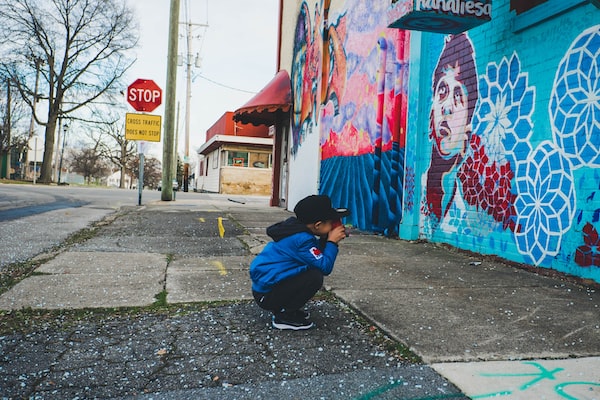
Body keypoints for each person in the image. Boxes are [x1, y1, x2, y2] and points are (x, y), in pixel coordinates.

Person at [250, 194, 350, 330]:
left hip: (266, 290)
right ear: (318, 225)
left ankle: (287, 309)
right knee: (314, 277)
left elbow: (315, 256)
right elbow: (324, 266)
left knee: (311, 271)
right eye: (331, 222)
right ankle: (284, 315)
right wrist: (332, 242)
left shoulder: (297, 231)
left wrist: (325, 239)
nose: (334, 225)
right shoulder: (302, 240)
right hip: (267, 295)